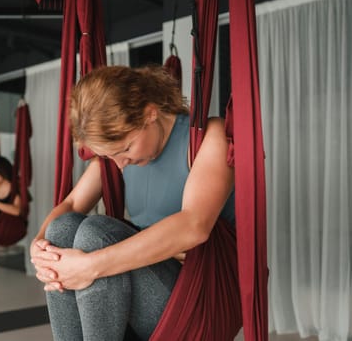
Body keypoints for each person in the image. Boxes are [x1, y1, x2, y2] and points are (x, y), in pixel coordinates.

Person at [30, 65, 236, 340]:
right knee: (61, 230)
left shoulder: (209, 137)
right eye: (110, 156)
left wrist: (90, 265)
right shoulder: (120, 155)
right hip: (144, 284)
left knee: (96, 234)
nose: (120, 164)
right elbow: (71, 204)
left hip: (199, 298)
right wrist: (40, 245)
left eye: (125, 149)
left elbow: (193, 226)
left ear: (149, 113)